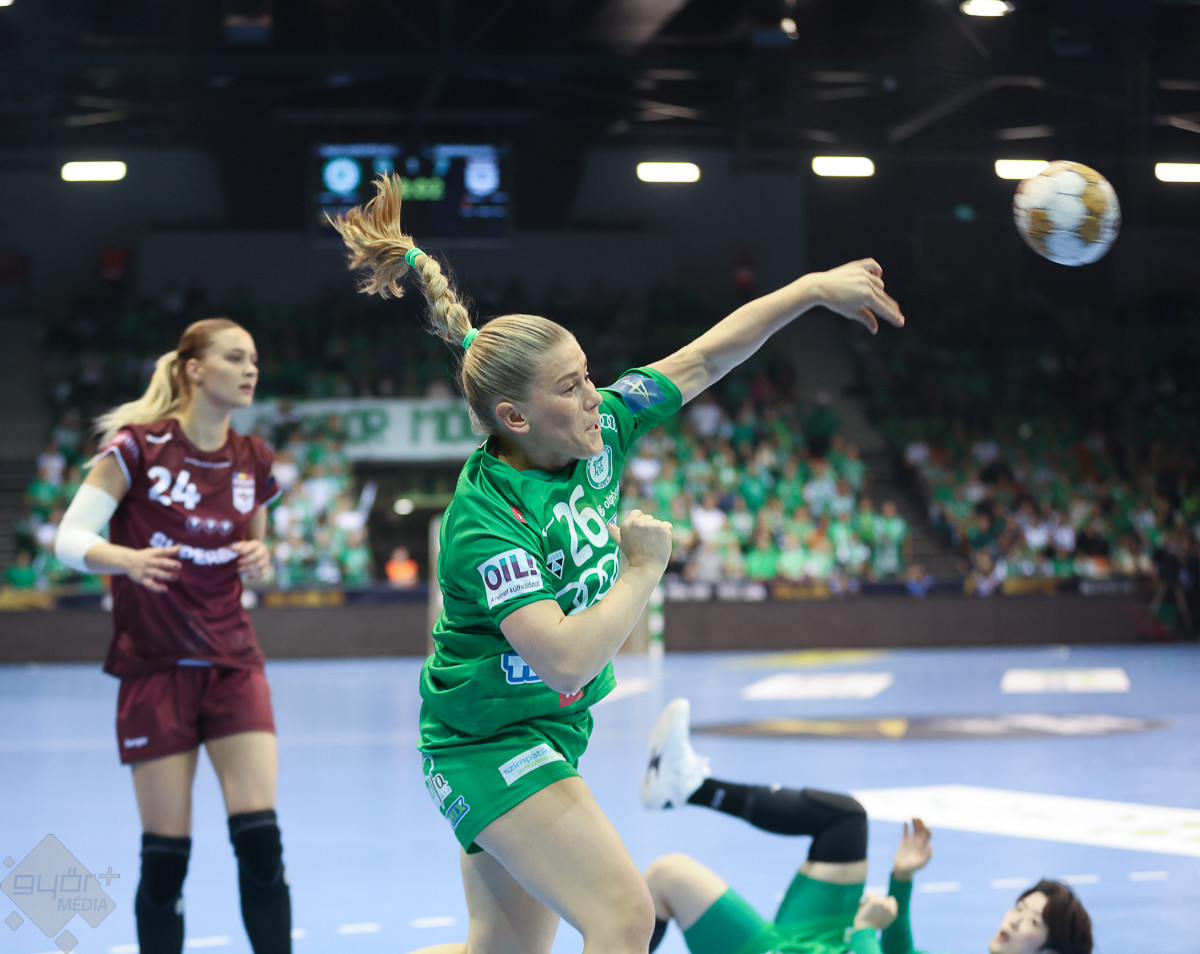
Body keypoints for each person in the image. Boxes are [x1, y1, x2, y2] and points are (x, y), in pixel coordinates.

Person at [328, 174, 904, 954]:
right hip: (486, 743)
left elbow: (702, 360)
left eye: (588, 373)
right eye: (571, 388)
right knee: (626, 916)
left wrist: (810, 288)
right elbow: (565, 659)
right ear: (515, 416)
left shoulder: (601, 432)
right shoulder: (486, 520)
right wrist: (641, 569)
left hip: (549, 727)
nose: (595, 396)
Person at [53, 318, 291, 954]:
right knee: (165, 860)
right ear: (193, 369)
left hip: (233, 663)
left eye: (254, 359)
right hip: (155, 667)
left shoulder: (253, 457)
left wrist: (262, 557)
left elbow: (256, 550)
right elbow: (68, 539)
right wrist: (125, 560)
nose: (250, 369)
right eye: (235, 357)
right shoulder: (137, 448)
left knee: (262, 844)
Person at [640, 698, 1094, 954]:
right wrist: (902, 880)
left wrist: (862, 929)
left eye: (1032, 921)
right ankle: (688, 787)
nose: (1013, 919)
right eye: (1020, 907)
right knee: (846, 821)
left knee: (667, 874)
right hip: (829, 940)